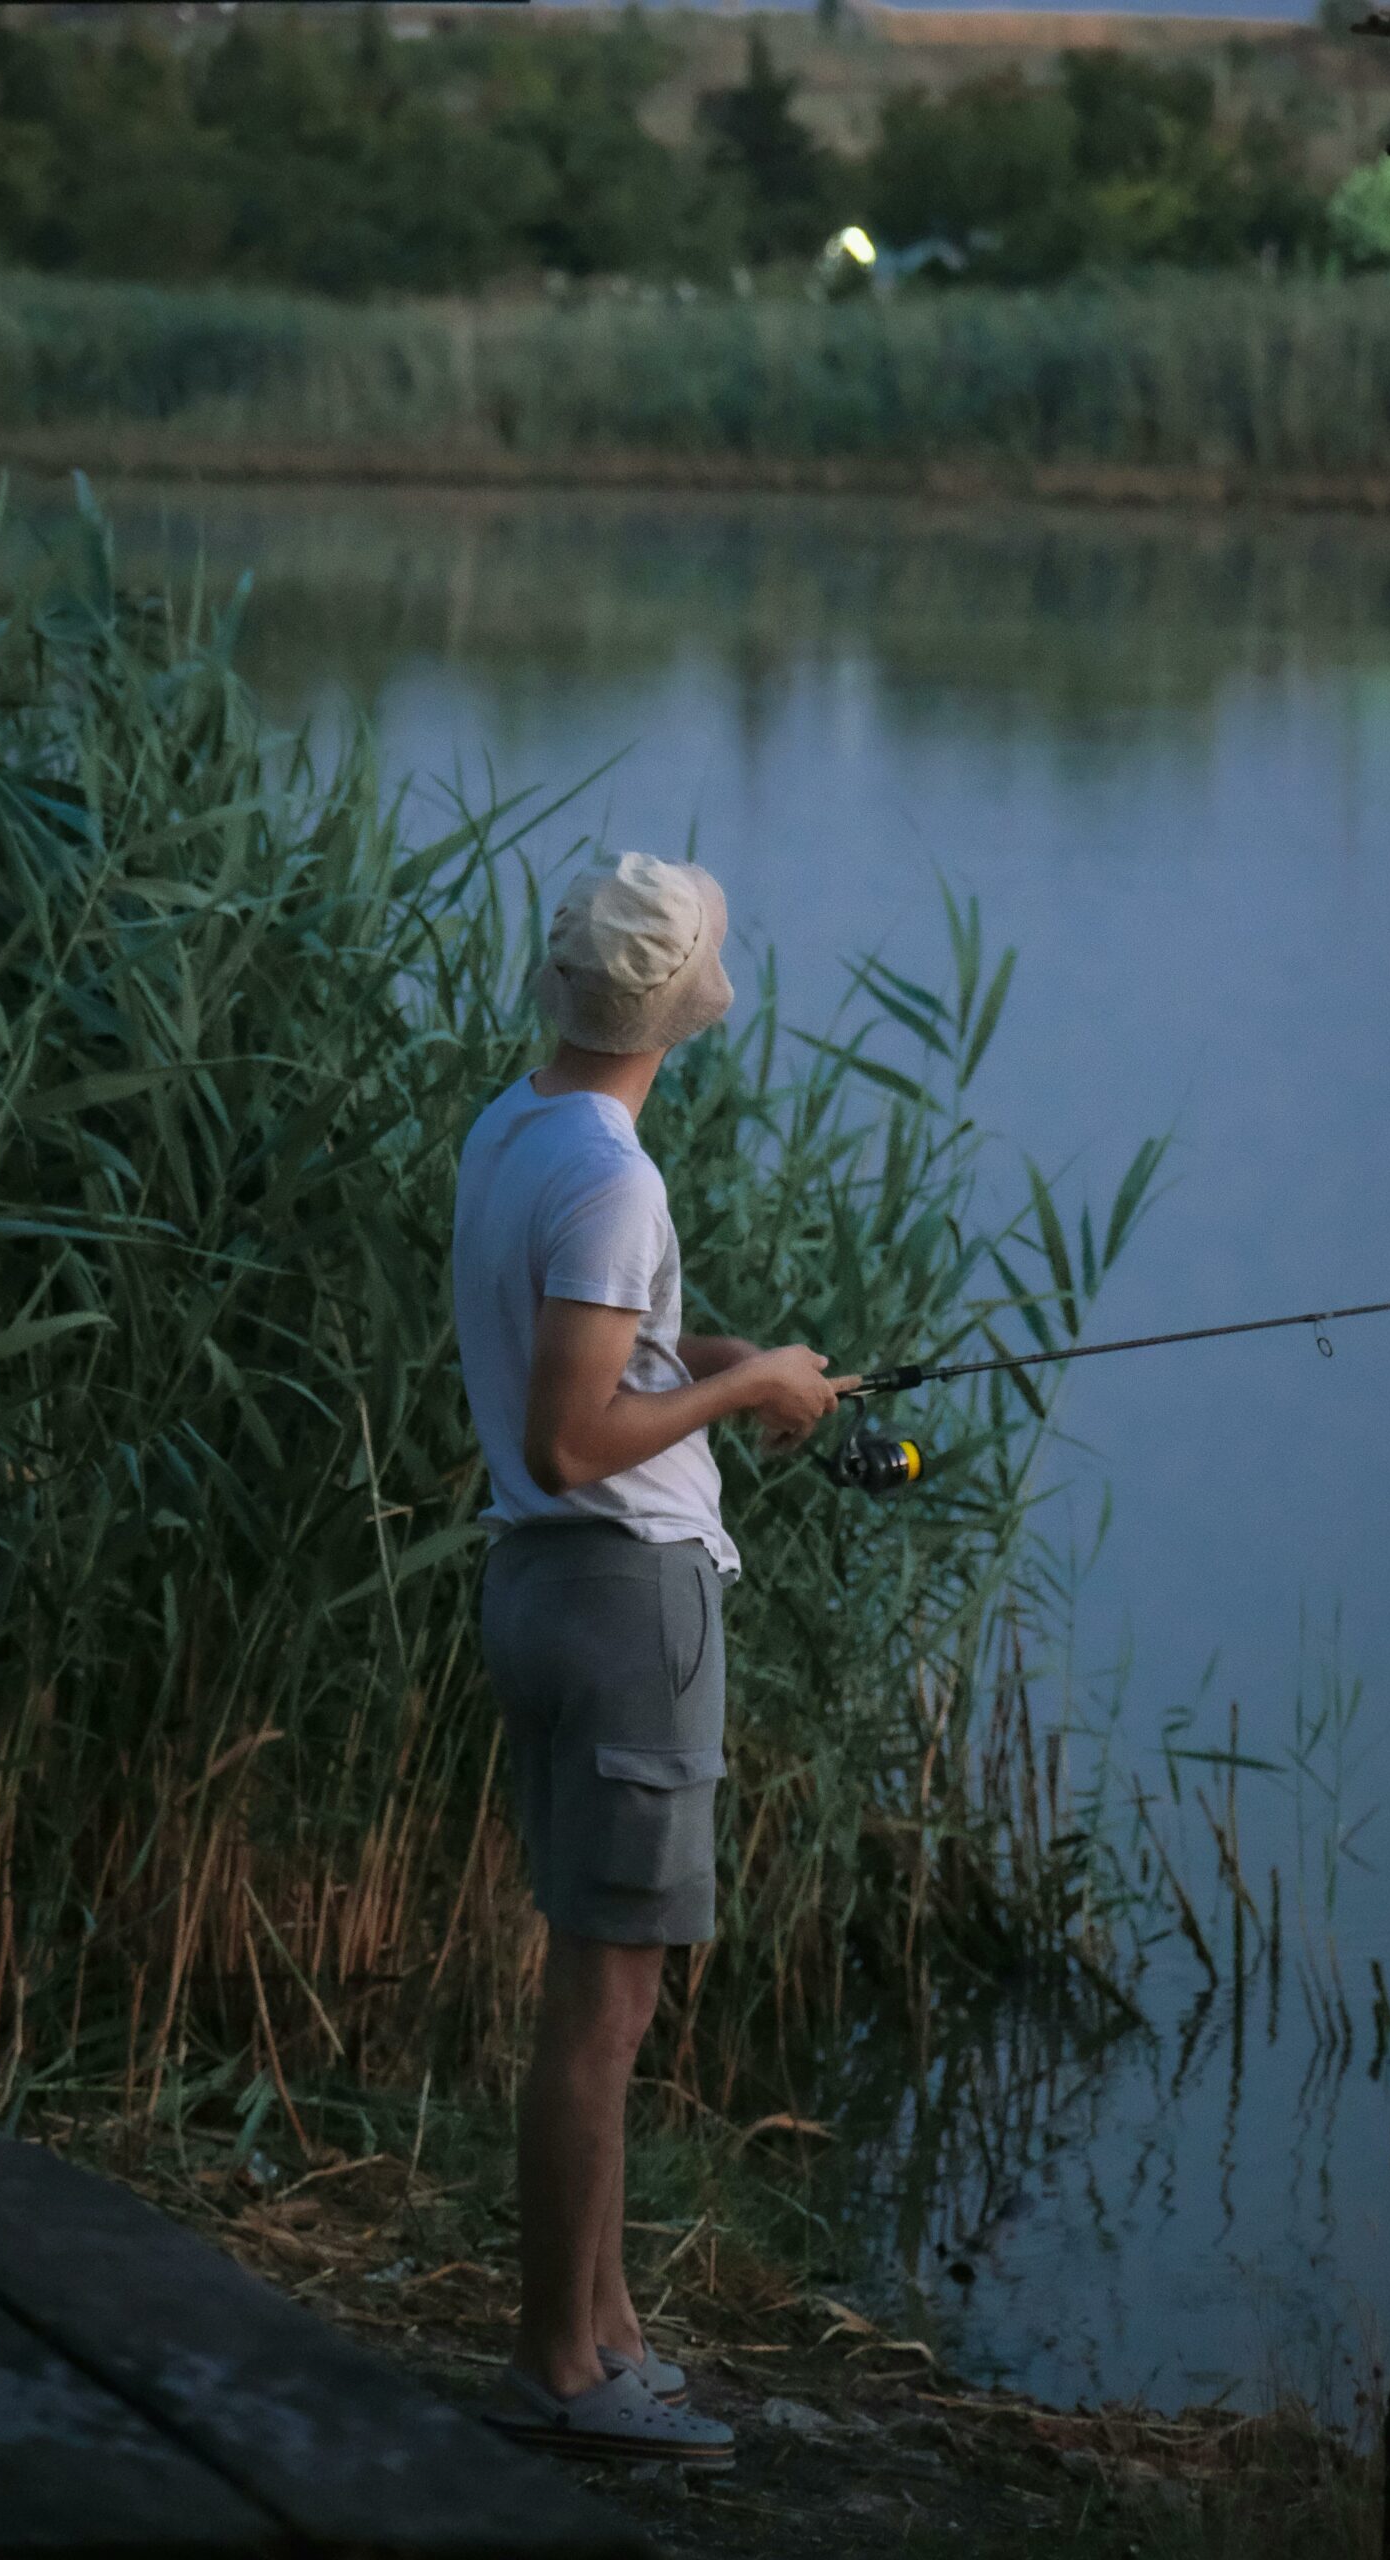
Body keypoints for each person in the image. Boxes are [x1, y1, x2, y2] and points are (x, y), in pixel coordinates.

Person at [453, 851, 854, 2467]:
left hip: (543, 1593)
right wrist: (748, 1400)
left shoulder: (518, 1127)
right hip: (625, 1606)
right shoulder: (619, 1180)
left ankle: (609, 2333)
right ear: (680, 1009)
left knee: (589, 1985)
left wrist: (711, 1349)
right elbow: (573, 1433)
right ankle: (559, 2365)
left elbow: (587, 1338)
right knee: (604, 2014)